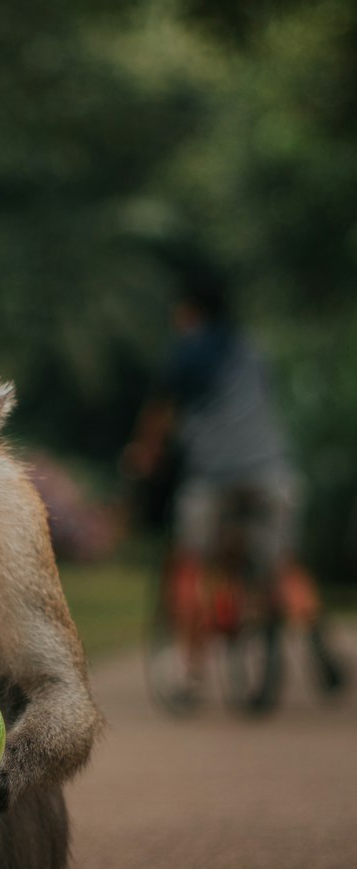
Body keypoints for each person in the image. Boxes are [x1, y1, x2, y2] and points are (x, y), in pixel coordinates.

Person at [122, 269, 347, 709]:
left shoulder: (186, 352)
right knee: (280, 563)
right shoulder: (253, 348)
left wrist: (145, 457)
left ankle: (188, 671)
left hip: (214, 476)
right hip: (272, 472)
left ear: (189, 309)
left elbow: (159, 419)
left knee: (191, 564)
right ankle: (309, 625)